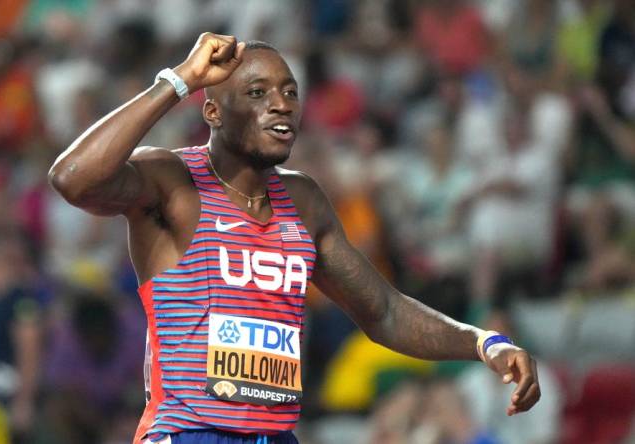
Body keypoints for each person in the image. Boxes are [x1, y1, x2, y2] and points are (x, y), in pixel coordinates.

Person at [49, 33, 541, 444]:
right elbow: (73, 177)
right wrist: (181, 80)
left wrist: (486, 342)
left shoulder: (303, 200)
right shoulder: (171, 180)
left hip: (277, 435)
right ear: (214, 113)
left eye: (290, 92)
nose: (281, 105)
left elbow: (384, 312)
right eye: (258, 93)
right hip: (189, 431)